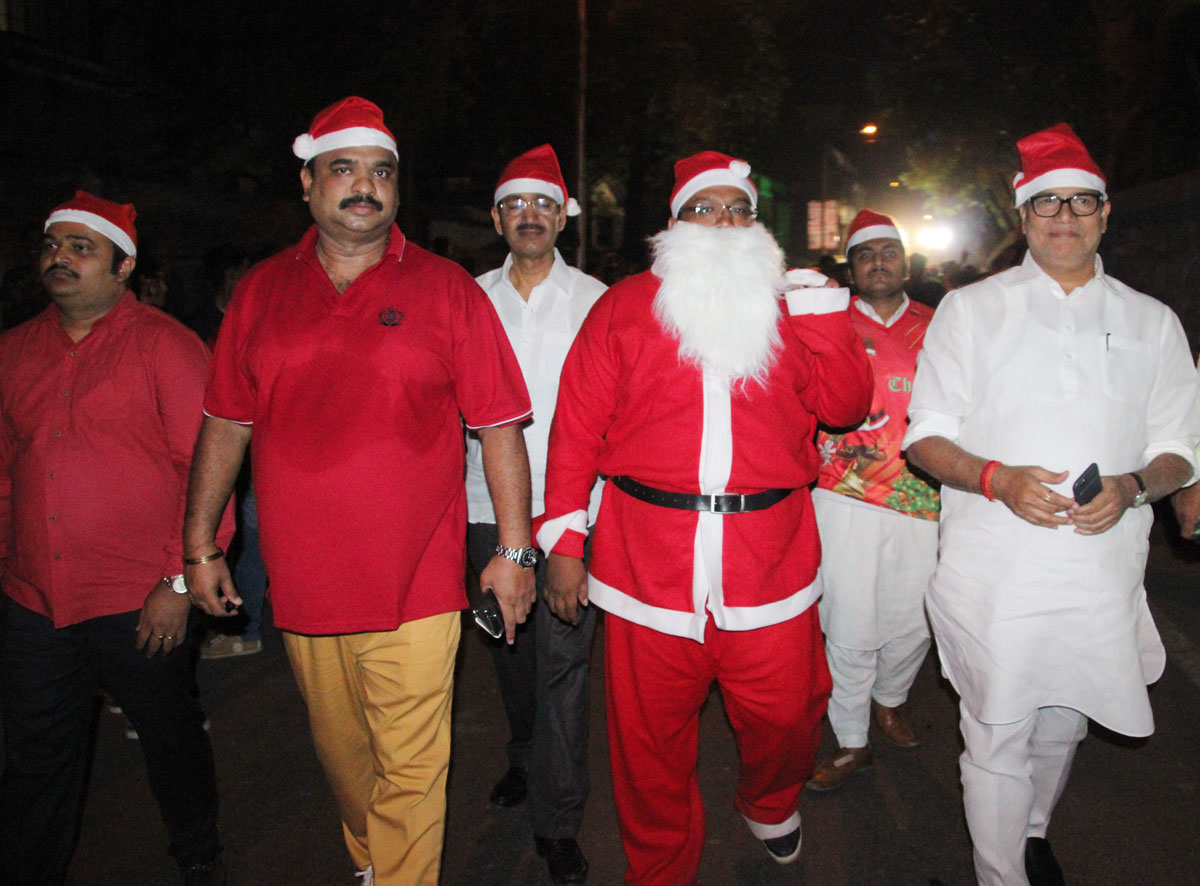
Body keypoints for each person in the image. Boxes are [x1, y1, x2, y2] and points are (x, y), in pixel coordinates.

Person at [182, 97, 537, 886]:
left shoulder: (447, 289)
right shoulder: (261, 292)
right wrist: (200, 545)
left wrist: (515, 552)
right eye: (344, 170)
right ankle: (373, 861)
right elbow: (226, 423)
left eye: (382, 172)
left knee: (412, 766)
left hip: (419, 583)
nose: (365, 186)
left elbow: (499, 427)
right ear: (308, 184)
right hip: (304, 582)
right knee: (345, 758)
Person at [536, 151, 873, 884]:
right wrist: (563, 539)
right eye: (705, 208)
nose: (724, 221)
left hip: (770, 558)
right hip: (647, 564)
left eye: (739, 209)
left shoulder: (793, 310)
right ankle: (660, 866)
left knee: (790, 714)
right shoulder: (624, 307)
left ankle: (769, 800)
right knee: (647, 742)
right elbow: (576, 428)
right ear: (674, 223)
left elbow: (847, 406)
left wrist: (825, 318)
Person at [903, 123, 1200, 886]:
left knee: (1066, 717)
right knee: (997, 730)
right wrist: (997, 478)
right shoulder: (971, 310)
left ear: (1105, 214)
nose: (1064, 216)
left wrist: (1135, 487)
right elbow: (925, 438)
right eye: (1047, 202)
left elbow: (1180, 447)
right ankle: (1001, 875)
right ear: (1024, 216)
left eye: (1081, 202)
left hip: (1100, 572)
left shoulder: (1153, 321)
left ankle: (1032, 832)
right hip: (995, 575)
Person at [0, 192, 232, 885]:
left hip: (139, 597)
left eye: (82, 247)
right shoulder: (13, 351)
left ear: (124, 265)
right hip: (35, 597)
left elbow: (207, 470)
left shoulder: (166, 346)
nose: (61, 258)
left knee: (167, 737)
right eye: (53, 244)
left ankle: (197, 853)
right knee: (35, 756)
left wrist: (178, 581)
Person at [464, 145, 606, 884]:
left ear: (563, 218)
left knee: (563, 666)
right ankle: (526, 757)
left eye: (544, 204)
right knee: (510, 653)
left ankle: (558, 820)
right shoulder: (467, 298)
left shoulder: (597, 301)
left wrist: (587, 518)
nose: (530, 216)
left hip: (571, 514)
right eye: (516, 205)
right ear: (496, 219)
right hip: (483, 508)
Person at [807, 210, 940, 791]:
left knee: (918, 616)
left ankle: (890, 699)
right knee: (849, 619)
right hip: (844, 496)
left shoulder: (942, 325)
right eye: (866, 254)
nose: (878, 262)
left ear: (906, 264)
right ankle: (852, 737)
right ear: (851, 269)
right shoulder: (825, 323)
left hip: (926, 496)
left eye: (889, 252)